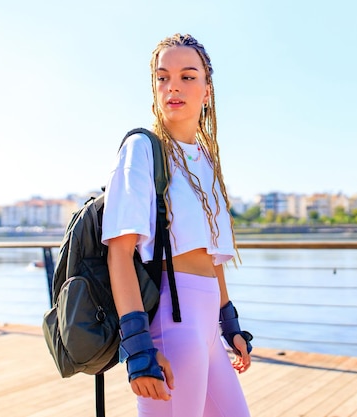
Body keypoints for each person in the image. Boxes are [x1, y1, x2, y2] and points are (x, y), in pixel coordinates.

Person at [101, 33, 252, 417]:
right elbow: (119, 253)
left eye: (187, 76)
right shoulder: (142, 149)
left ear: (207, 88)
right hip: (171, 320)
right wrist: (138, 348)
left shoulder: (206, 158)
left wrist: (228, 321)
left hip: (207, 326)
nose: (173, 87)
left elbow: (212, 256)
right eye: (162, 77)